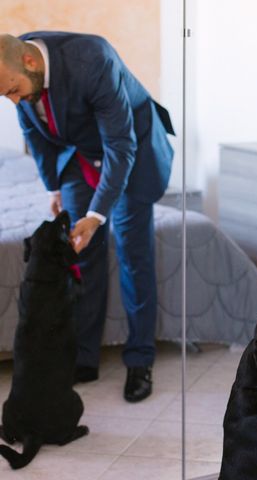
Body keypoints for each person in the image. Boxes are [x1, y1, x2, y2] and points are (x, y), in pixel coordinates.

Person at [0, 32, 174, 402]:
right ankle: (84, 356)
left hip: (131, 149)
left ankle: (140, 359)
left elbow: (120, 145)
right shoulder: (17, 63)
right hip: (81, 152)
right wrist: (54, 190)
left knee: (133, 253)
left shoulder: (91, 58)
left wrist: (97, 213)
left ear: (29, 63)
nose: (14, 100)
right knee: (80, 250)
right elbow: (35, 131)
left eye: (13, 90)